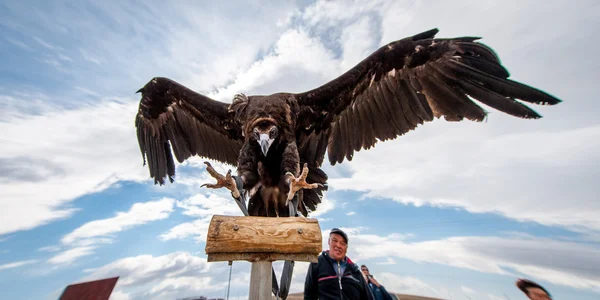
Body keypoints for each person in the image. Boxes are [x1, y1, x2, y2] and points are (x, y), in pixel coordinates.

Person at [304, 228, 374, 300]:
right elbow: (309, 296)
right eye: (335, 240)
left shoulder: (354, 270)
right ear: (329, 241)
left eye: (342, 243)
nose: (338, 245)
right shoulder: (317, 264)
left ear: (346, 248)